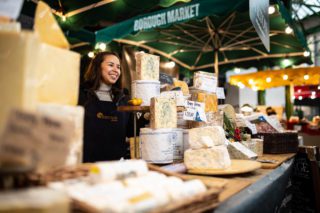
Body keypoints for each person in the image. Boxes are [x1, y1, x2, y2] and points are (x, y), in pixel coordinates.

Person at [79, 51, 133, 162]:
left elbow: (132, 131)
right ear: (97, 67)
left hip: (116, 166)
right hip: (86, 165)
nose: (116, 70)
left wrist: (146, 114)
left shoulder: (124, 99)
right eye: (110, 65)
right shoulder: (82, 95)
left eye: (118, 67)